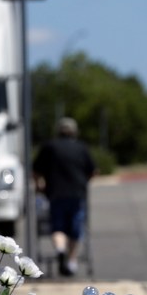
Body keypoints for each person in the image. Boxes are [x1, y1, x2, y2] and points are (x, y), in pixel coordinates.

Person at [33, 117, 96, 276]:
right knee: (75, 228)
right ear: (74, 132)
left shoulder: (49, 147)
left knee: (58, 227)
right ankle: (72, 260)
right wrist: (84, 182)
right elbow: (93, 170)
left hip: (55, 193)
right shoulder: (81, 148)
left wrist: (40, 185)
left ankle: (60, 250)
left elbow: (36, 170)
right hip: (77, 193)